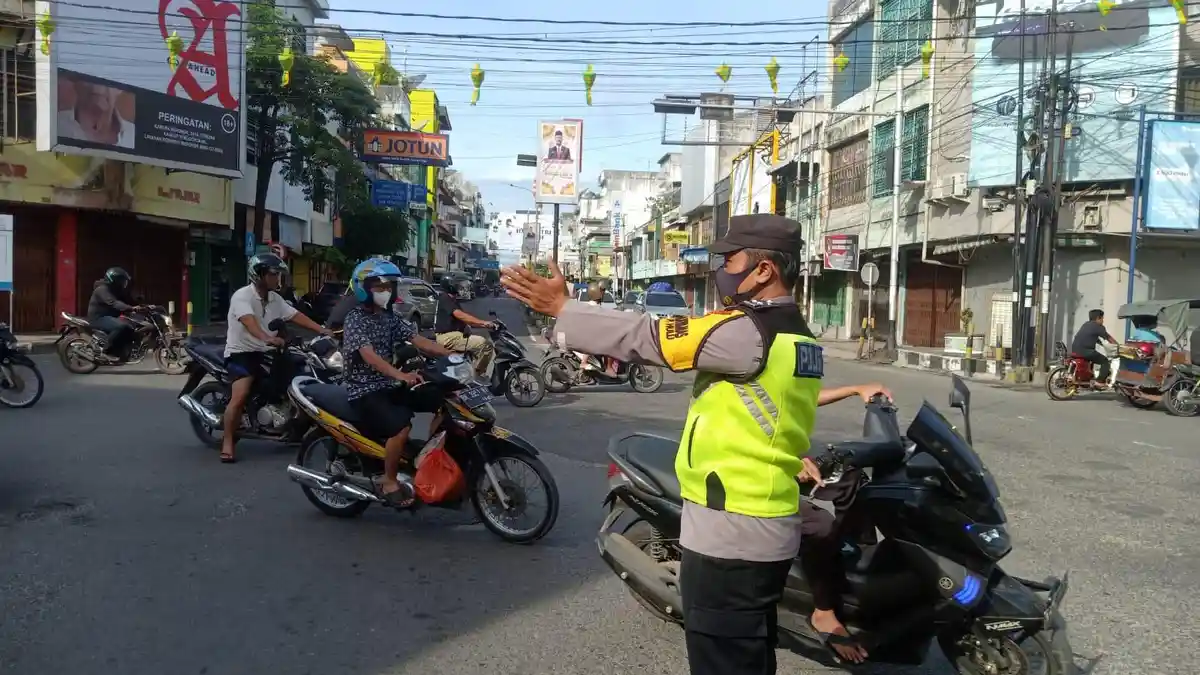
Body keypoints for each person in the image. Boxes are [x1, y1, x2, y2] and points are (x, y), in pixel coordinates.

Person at [502, 213, 852, 675]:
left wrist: (565, 309)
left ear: (764, 270)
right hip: (766, 521)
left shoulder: (747, 332)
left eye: (731, 259)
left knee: (723, 660)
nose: (722, 268)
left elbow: (650, 337)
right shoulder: (797, 335)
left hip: (732, 531)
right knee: (748, 651)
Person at [792, 383, 893, 665]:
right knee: (820, 525)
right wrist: (785, 458)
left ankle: (858, 563)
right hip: (749, 471)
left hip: (781, 456)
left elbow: (800, 395)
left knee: (851, 477)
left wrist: (855, 389)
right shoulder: (735, 368)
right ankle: (822, 612)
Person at [340, 258, 455, 504]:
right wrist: (400, 375)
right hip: (365, 390)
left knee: (443, 399)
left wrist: (450, 354)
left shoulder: (388, 317)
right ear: (364, 288)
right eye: (380, 287)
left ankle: (429, 460)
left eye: (389, 286)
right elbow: (369, 356)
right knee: (401, 426)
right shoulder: (355, 319)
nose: (386, 291)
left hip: (389, 385)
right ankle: (389, 481)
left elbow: (417, 339)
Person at [220, 253, 331, 464]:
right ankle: (227, 441)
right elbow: (248, 321)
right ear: (259, 275)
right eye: (273, 275)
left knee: (297, 377)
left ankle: (290, 423)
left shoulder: (275, 298)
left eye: (278, 275)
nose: (277, 279)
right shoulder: (242, 296)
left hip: (267, 352)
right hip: (242, 353)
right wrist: (266, 338)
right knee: (240, 395)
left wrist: (322, 330)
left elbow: (295, 315)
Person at [434, 276, 496, 376]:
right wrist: (483, 323)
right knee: (485, 345)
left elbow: (463, 320)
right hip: (446, 337)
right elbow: (460, 315)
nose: (459, 287)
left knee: (476, 348)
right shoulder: (445, 298)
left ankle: (469, 372)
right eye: (456, 285)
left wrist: (470, 326)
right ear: (450, 286)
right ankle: (476, 376)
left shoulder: (453, 300)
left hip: (454, 335)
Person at [58, 78, 135, 149]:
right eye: (88, 75)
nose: (98, 88)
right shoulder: (54, 125)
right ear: (75, 82)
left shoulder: (135, 135)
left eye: (108, 77)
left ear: (120, 88)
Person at [86, 267, 140, 363]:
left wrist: (143, 305)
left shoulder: (116, 290)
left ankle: (121, 350)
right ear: (115, 280)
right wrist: (131, 308)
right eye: (122, 280)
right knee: (121, 326)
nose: (124, 283)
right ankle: (107, 351)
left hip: (110, 317)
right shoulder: (102, 290)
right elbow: (114, 303)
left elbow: (128, 300)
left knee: (130, 326)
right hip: (98, 318)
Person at [1070, 309, 1118, 385]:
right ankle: (1100, 382)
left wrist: (1102, 344)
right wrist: (1118, 346)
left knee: (1093, 357)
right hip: (1085, 351)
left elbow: (1092, 337)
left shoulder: (1086, 324)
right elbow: (1109, 338)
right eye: (1102, 318)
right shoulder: (1098, 326)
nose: (1103, 321)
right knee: (1105, 361)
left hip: (1075, 349)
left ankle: (1088, 378)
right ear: (1098, 318)